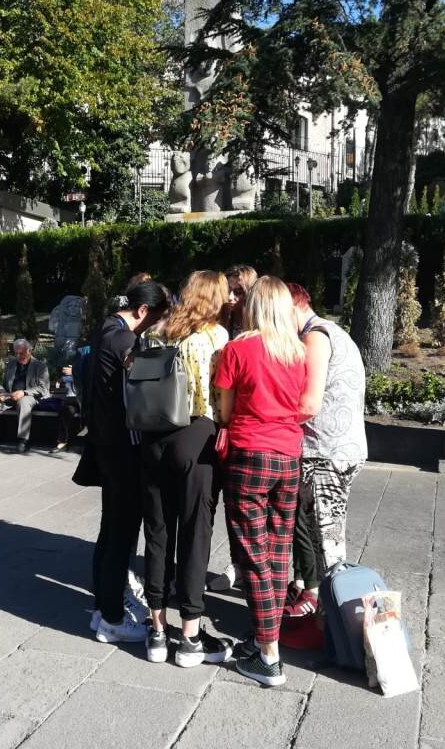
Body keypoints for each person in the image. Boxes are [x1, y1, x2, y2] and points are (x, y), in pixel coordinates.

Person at [214, 276, 310, 687]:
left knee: (252, 554)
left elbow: (224, 410)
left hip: (250, 453)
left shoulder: (237, 349)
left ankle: (269, 656)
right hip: (289, 456)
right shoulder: (298, 351)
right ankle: (265, 638)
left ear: (252, 306)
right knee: (277, 550)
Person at [141, 271, 232, 667]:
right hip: (197, 433)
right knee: (196, 533)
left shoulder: (156, 333)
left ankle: (157, 631)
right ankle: (190, 635)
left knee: (157, 533)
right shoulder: (215, 337)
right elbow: (220, 395)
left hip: (153, 435)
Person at [88, 281, 170, 644]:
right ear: (142, 311)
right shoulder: (124, 340)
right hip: (123, 449)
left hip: (106, 446)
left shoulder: (106, 328)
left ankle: (102, 606)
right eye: (155, 318)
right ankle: (112, 619)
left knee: (110, 531)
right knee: (121, 535)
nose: (154, 326)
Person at [283, 283, 367, 625]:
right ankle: (327, 615)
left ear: (293, 307)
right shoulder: (331, 331)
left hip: (325, 454)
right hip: (340, 449)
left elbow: (309, 404)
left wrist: (270, 422)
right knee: (325, 535)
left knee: (328, 544)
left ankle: (335, 623)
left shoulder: (314, 337)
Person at [206, 264, 259, 593]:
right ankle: (237, 564)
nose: (231, 297)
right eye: (229, 290)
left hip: (247, 423)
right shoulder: (221, 324)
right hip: (221, 420)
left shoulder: (257, 330)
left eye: (239, 291)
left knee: (248, 506)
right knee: (229, 501)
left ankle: (249, 567)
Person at [0, 338, 49, 453]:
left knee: (23, 401)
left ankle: (23, 441)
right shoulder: (11, 365)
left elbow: (43, 388)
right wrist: (1, 392)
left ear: (29, 351)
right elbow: (1, 384)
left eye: (21, 353)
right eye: (16, 353)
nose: (18, 356)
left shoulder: (40, 366)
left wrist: (24, 392)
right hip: (9, 396)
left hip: (29, 398)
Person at [224, 265, 257, 340]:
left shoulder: (259, 322)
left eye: (238, 292)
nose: (230, 297)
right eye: (227, 291)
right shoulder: (223, 317)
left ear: (250, 293)